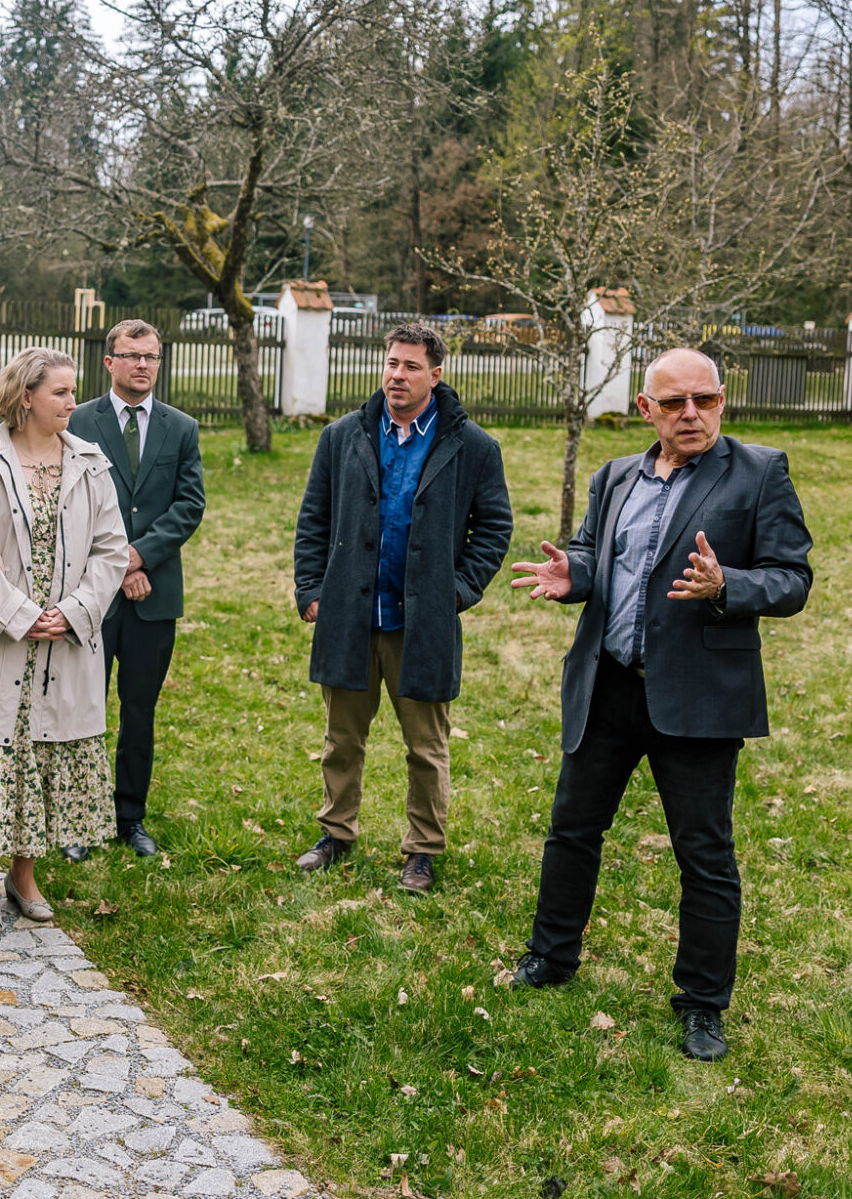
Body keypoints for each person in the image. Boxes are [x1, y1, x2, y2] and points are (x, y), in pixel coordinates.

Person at [507, 347, 813, 1062]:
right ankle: (551, 955)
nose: (692, 414)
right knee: (572, 829)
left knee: (704, 854)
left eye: (705, 400)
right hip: (610, 683)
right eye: (675, 403)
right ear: (646, 409)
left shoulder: (759, 472)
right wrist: (576, 573)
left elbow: (792, 579)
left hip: (699, 696)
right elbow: (595, 554)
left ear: (722, 400)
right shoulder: (615, 475)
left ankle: (702, 1004)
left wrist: (729, 585)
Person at [291, 324, 513, 894]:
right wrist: (311, 589)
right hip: (351, 616)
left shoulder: (473, 447)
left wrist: (457, 591)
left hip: (422, 623)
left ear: (435, 375)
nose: (397, 375)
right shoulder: (343, 436)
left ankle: (422, 850)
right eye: (392, 363)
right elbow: (314, 517)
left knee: (426, 747)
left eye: (411, 366)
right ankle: (335, 833)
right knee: (342, 739)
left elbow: (494, 528)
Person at [0, 348, 127, 934]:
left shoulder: (90, 463)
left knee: (44, 755)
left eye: (72, 391)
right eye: (61, 392)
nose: (73, 402)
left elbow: (111, 550)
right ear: (26, 397)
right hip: (0, 635)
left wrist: (73, 612)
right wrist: (19, 614)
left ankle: (25, 874)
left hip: (64, 638)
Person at [62, 319, 205, 861]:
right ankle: (77, 819)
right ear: (110, 362)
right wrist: (118, 567)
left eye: (151, 356)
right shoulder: (78, 421)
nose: (143, 365)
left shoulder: (181, 427)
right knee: (82, 708)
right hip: (88, 594)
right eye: (132, 355)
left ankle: (130, 816)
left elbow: (189, 504)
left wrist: (141, 556)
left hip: (154, 594)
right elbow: (68, 502)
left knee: (139, 709)